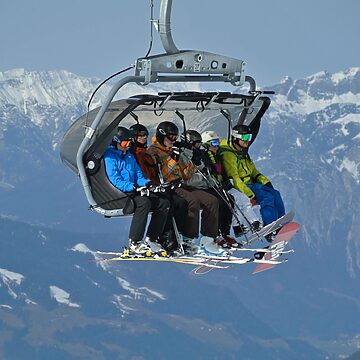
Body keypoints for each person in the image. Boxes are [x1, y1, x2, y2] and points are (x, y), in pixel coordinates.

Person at [147, 121, 225, 255]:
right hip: (169, 185)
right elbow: (165, 173)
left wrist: (192, 160)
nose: (173, 140)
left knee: (211, 200)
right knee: (192, 200)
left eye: (175, 138)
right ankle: (187, 239)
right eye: (170, 137)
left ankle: (208, 239)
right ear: (161, 136)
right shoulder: (154, 151)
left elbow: (186, 174)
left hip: (181, 183)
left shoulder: (172, 150)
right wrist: (175, 157)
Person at [103, 126, 170, 254]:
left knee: (163, 202)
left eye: (129, 143)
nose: (127, 146)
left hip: (134, 190)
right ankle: (134, 242)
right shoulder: (110, 157)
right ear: (116, 141)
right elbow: (115, 180)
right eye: (124, 143)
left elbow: (138, 176)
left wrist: (149, 184)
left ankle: (152, 239)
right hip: (121, 193)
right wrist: (133, 187)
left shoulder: (128, 156)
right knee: (143, 202)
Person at [218, 124, 285, 241]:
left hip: (251, 184)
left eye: (249, 137)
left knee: (275, 193)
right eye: (244, 138)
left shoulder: (243, 152)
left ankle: (280, 223)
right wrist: (250, 195)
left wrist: (265, 182)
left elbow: (253, 171)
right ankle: (270, 228)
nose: (247, 141)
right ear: (236, 137)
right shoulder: (228, 154)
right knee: (267, 197)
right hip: (242, 187)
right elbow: (234, 178)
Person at [129, 123, 188, 253]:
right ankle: (162, 237)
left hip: (153, 184)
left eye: (145, 135)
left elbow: (151, 171)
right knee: (168, 201)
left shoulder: (144, 152)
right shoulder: (136, 154)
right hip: (144, 187)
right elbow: (147, 172)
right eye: (140, 136)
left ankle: (169, 238)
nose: (144, 138)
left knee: (176, 201)